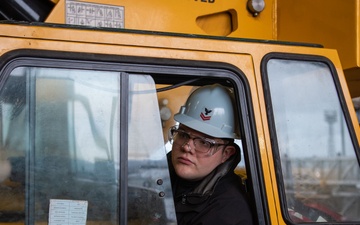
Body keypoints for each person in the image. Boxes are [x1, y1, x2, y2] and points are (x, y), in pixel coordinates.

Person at [167, 84, 254, 225]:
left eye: (204, 142)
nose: (187, 147)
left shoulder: (228, 212)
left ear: (226, 154)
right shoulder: (158, 175)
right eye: (183, 135)